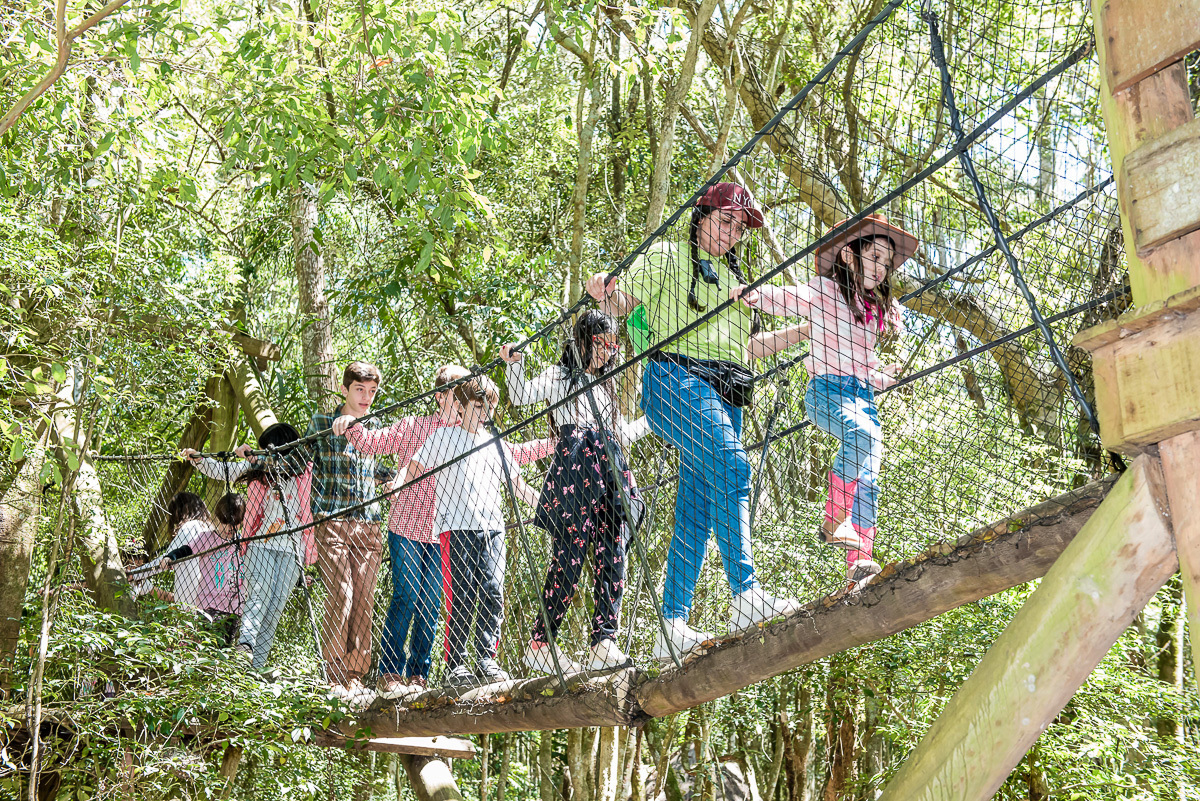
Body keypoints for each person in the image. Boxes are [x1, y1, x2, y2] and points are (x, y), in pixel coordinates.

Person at [585, 181, 803, 660]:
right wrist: (607, 292)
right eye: (725, 220)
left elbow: (746, 350)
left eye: (739, 229)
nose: (731, 234)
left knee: (698, 507)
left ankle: (671, 624)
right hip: (674, 380)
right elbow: (626, 304)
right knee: (734, 466)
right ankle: (744, 593)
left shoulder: (734, 282)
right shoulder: (666, 255)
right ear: (701, 216)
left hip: (725, 393)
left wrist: (809, 330)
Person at [335, 365, 554, 699]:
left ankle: (419, 675)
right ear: (440, 398)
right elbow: (376, 442)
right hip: (408, 526)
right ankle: (391, 672)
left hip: (444, 533)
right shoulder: (418, 428)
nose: (467, 402)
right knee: (407, 596)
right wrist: (351, 426)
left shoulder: (475, 436)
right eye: (460, 395)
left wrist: (554, 443)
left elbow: (513, 455)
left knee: (431, 603)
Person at [732, 213, 917, 590]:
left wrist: (888, 377)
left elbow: (865, 370)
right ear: (850, 256)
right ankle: (834, 520)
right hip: (826, 393)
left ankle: (859, 564)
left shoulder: (868, 313)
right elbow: (786, 297)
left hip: (863, 398)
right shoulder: (825, 290)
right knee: (863, 436)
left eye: (887, 262)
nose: (881, 268)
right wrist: (750, 293)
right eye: (875, 257)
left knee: (869, 480)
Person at [500, 310, 651, 675]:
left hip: (611, 469)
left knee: (613, 551)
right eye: (602, 343)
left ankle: (604, 640)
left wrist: (654, 420)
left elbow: (617, 435)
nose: (609, 352)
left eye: (614, 345)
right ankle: (540, 642)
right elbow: (522, 396)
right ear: (583, 342)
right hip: (576, 469)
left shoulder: (608, 383)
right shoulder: (561, 377)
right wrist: (515, 363)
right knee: (570, 553)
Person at [394, 374, 538, 689]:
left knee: (493, 591)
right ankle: (455, 664)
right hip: (455, 528)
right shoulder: (443, 438)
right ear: (460, 406)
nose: (484, 413)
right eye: (477, 406)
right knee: (462, 595)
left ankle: (487, 658)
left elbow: (517, 485)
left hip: (492, 529)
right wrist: (397, 485)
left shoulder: (494, 443)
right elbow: (415, 469)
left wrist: (546, 508)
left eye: (489, 407)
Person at [183, 423, 316, 674]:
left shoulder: (306, 470)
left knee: (275, 607)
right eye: (261, 449)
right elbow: (225, 470)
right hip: (260, 545)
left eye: (267, 448)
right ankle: (245, 646)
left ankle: (255, 671)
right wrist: (200, 460)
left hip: (291, 548)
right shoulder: (258, 467)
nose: (263, 452)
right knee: (259, 595)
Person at [306, 362, 394, 691]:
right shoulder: (322, 423)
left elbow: (376, 468)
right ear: (345, 389)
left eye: (372, 391)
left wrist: (393, 479)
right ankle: (333, 677)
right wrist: (258, 456)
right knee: (341, 595)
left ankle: (354, 676)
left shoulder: (373, 425)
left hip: (368, 526)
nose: (366, 397)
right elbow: (296, 459)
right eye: (360, 389)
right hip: (332, 520)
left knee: (363, 601)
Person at [156, 493, 247, 646]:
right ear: (217, 518)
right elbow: (187, 549)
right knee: (205, 645)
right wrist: (170, 557)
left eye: (235, 523)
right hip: (207, 604)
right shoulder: (206, 538)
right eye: (224, 522)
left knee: (222, 649)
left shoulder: (243, 542)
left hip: (233, 608)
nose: (229, 528)